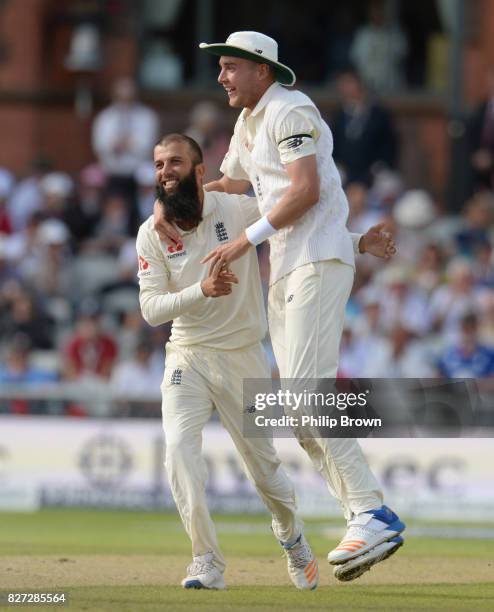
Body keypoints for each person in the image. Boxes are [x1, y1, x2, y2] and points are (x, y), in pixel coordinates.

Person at [153, 32, 404, 582]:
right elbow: (228, 184)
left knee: (309, 394)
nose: (221, 77)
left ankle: (371, 512)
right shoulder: (246, 125)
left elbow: (307, 190)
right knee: (296, 409)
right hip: (293, 264)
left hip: (313, 261)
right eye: (219, 68)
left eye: (228, 67)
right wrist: (174, 201)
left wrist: (246, 242)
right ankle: (361, 515)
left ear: (261, 70)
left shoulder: (291, 110)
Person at [137, 134, 317, 591]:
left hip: (243, 358)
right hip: (188, 354)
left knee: (264, 470)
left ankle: (291, 536)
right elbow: (152, 309)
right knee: (178, 448)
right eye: (158, 164)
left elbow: (298, 219)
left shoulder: (235, 210)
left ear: (200, 171)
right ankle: (206, 560)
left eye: (174, 162)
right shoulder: (151, 231)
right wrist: (202, 289)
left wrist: (355, 243)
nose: (164, 172)